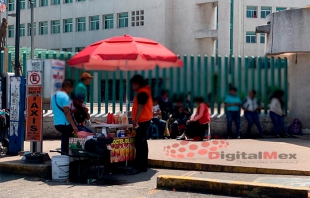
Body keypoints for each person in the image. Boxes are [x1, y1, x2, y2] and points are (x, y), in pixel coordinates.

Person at [127, 75, 153, 175]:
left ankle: (137, 166)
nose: (132, 87)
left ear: (136, 84)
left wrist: (136, 120)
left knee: (139, 143)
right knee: (143, 143)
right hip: (145, 120)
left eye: (133, 84)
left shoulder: (142, 92)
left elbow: (141, 106)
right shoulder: (144, 91)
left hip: (142, 121)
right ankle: (143, 165)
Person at [51, 79, 78, 154]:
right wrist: (73, 126)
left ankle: (66, 156)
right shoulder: (65, 97)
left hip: (57, 123)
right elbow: (66, 112)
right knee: (67, 142)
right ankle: (66, 158)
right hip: (65, 123)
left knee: (65, 141)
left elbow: (60, 109)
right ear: (69, 87)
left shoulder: (54, 95)